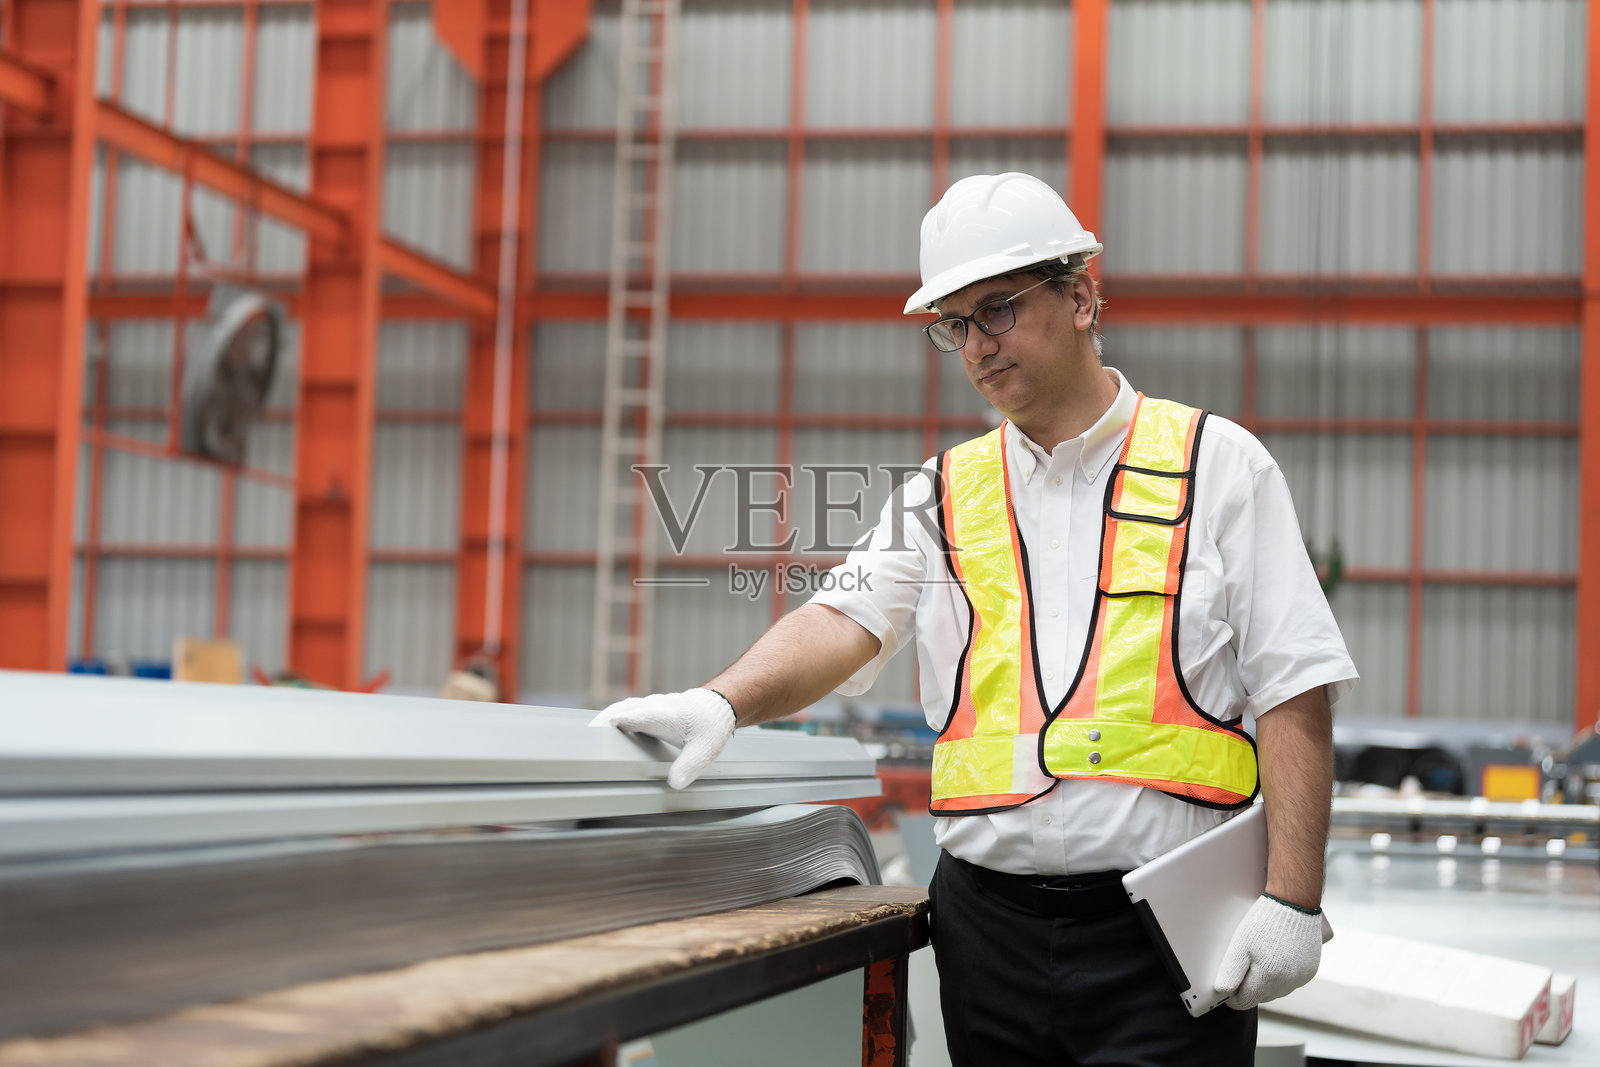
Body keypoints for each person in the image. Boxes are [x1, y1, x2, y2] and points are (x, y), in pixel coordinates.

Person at [592, 171, 1358, 1066]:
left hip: (1169, 937)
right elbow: (845, 618)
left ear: (1080, 297)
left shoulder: (1217, 465)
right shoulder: (945, 490)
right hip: (986, 934)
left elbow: (1292, 683)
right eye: (953, 325)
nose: (976, 346)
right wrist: (720, 702)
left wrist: (1293, 899)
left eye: (996, 310)